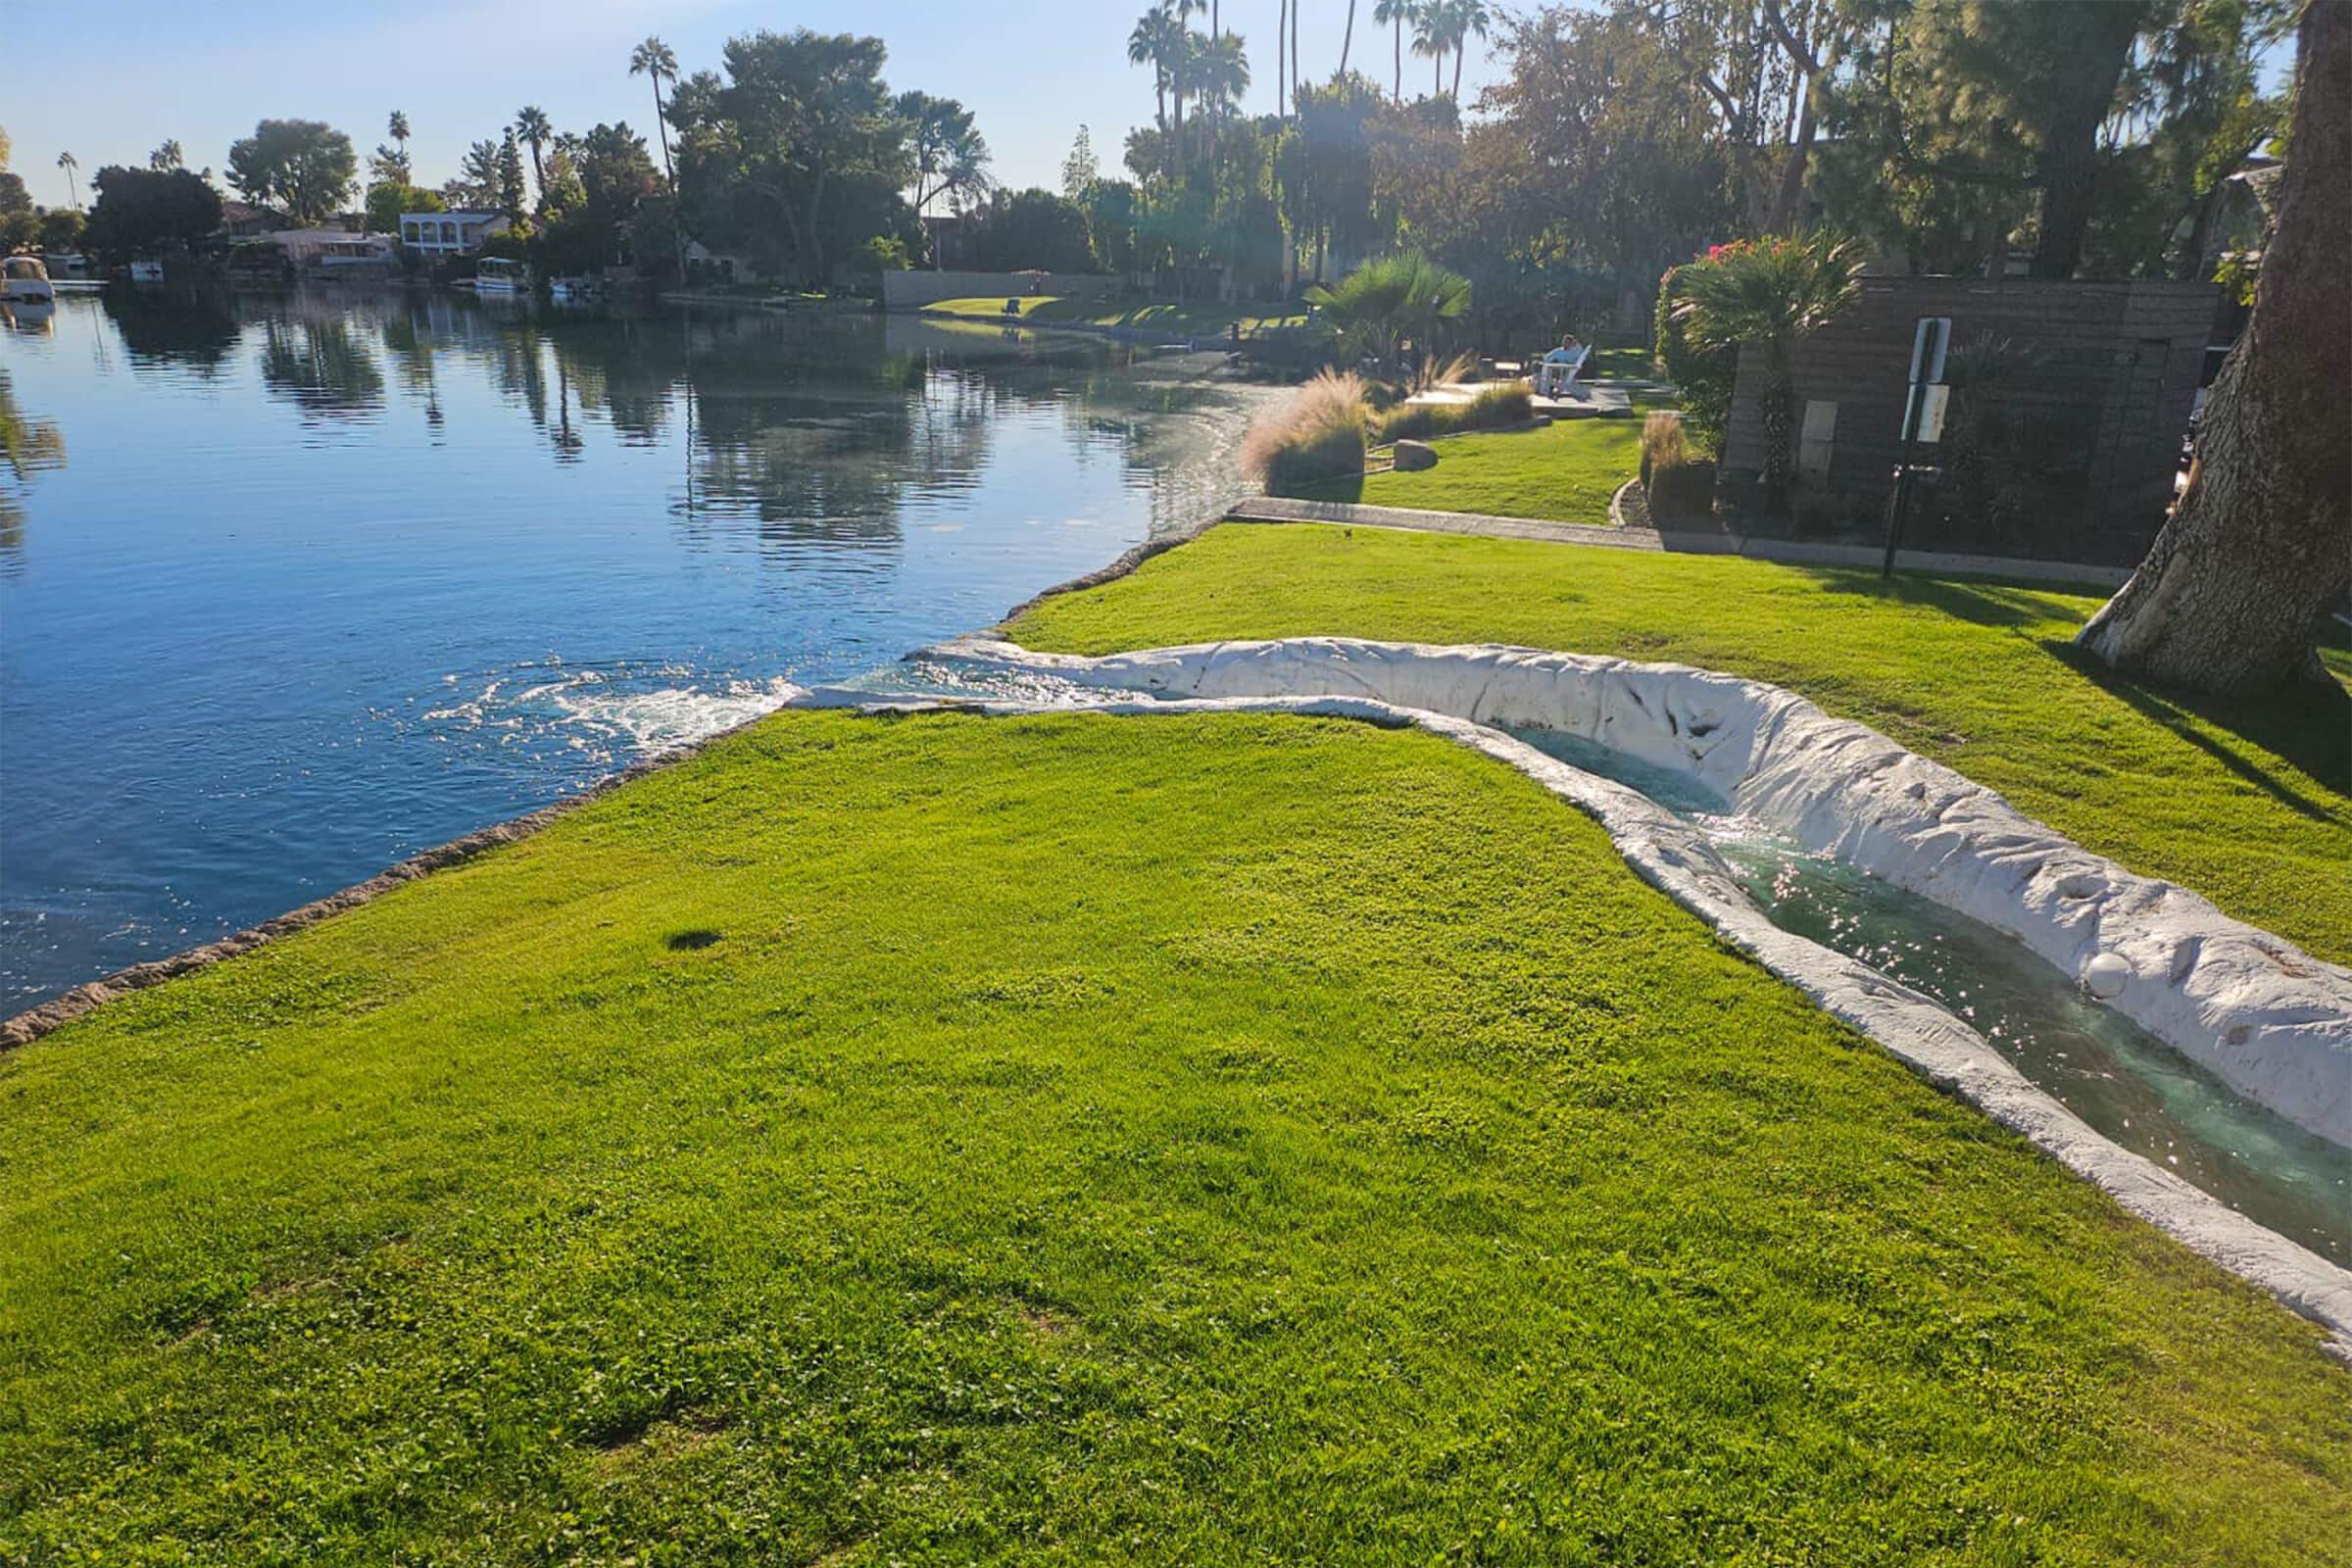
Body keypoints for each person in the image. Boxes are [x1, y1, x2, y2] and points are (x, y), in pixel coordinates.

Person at [1538, 333, 1589, 398]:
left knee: (1565, 376)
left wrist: (1577, 344)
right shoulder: (1558, 350)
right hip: (1558, 370)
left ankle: (1557, 389)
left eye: (1567, 342)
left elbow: (1581, 357)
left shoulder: (1574, 351)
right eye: (1564, 341)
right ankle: (1550, 389)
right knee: (1546, 371)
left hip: (1570, 371)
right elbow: (1547, 358)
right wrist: (1547, 361)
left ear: (1571, 343)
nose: (1564, 343)